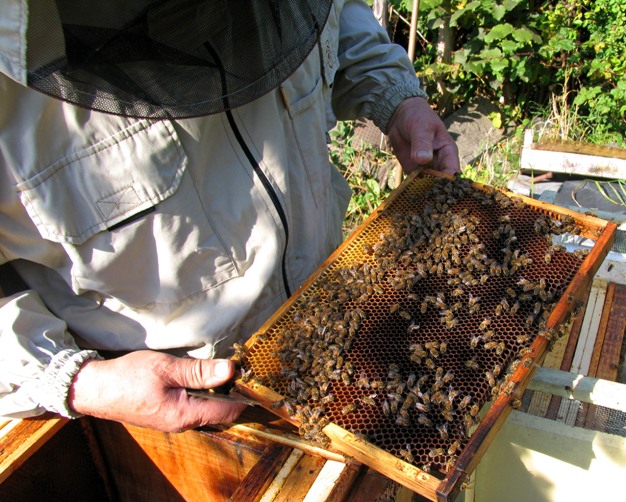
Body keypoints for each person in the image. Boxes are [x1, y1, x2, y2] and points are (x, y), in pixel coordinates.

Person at [0, 0, 459, 433]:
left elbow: (332, 16)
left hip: (347, 335)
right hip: (177, 408)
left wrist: (397, 98)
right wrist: (81, 382)